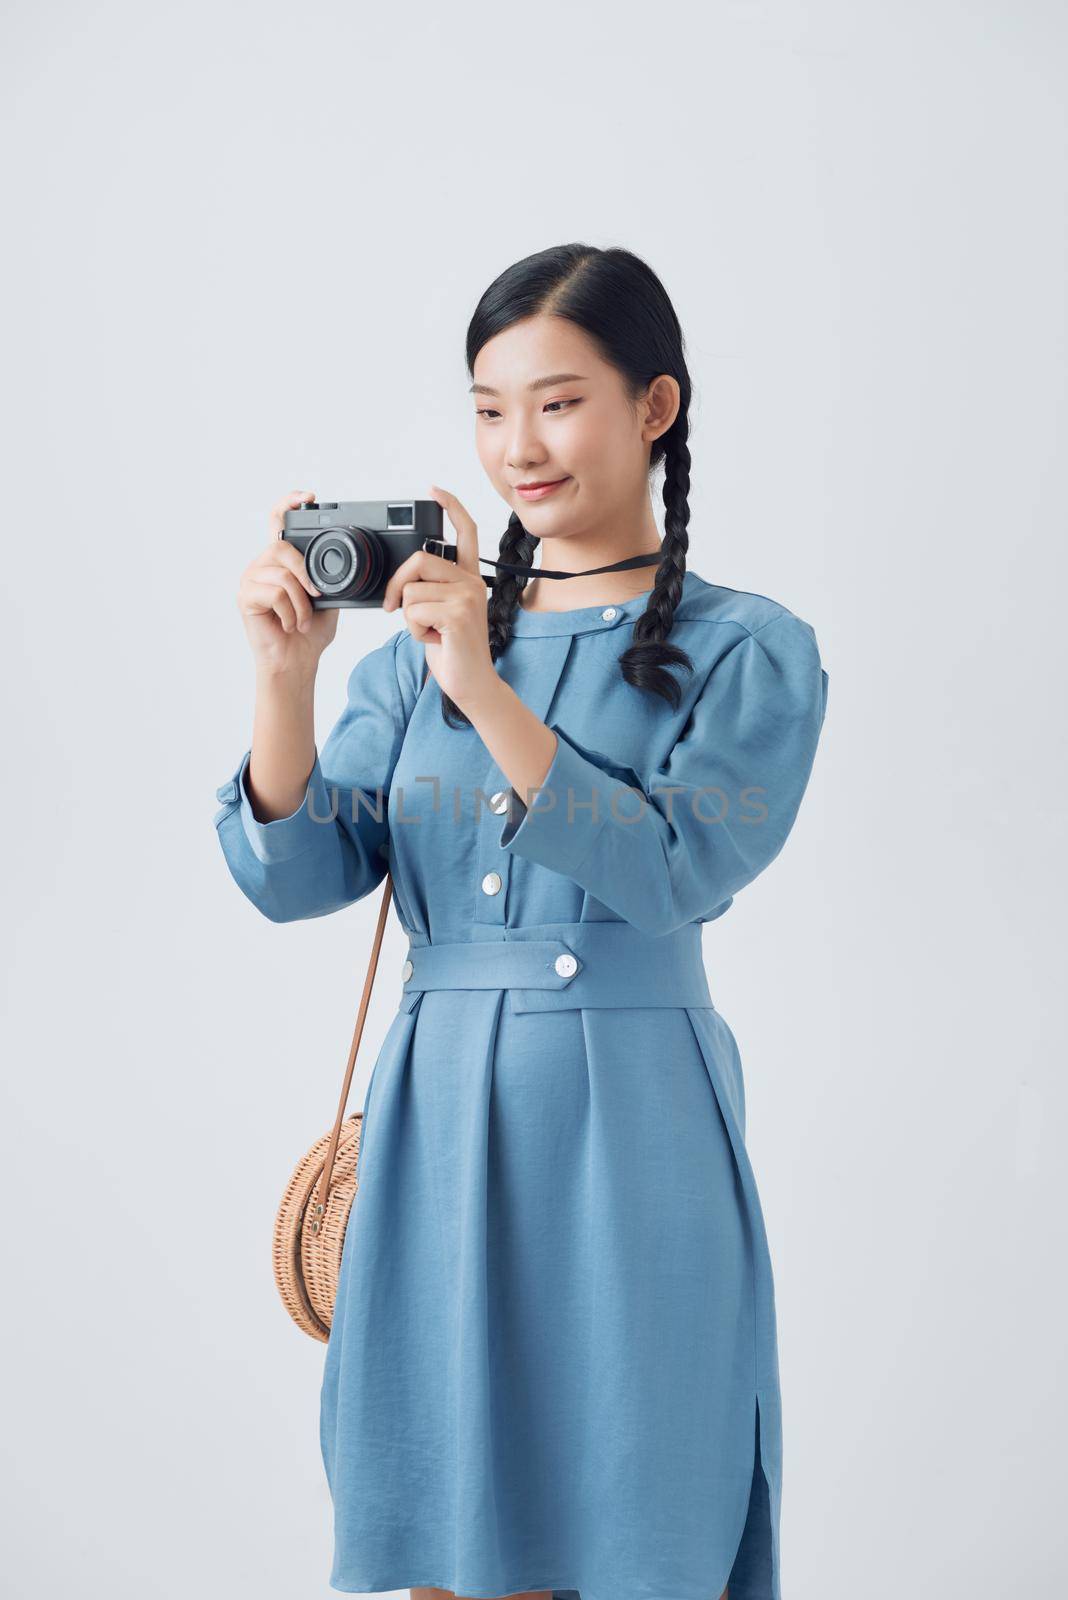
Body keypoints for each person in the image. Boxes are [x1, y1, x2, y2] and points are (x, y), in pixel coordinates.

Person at [213, 242, 830, 1600]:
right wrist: (287, 685)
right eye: (490, 409)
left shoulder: (750, 649)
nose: (518, 446)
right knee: (446, 1530)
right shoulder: (415, 653)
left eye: (557, 402)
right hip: (440, 1127)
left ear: (653, 408)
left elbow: (678, 869)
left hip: (638, 1130)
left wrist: (485, 687)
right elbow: (294, 881)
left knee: (639, 1519)